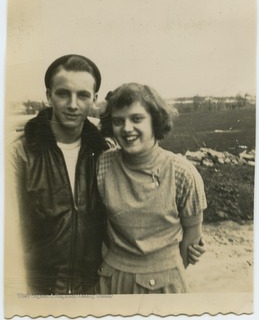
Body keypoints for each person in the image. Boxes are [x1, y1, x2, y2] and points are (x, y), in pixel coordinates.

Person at [9, 54, 109, 294]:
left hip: (93, 292)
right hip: (38, 294)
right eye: (63, 93)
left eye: (83, 95)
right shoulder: (18, 156)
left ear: (94, 99)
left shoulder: (106, 154)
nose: (73, 104)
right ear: (48, 96)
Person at [96, 82, 207, 294]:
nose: (127, 128)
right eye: (118, 121)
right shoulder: (103, 164)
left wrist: (162, 275)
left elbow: (192, 242)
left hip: (165, 284)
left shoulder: (182, 172)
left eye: (137, 119)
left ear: (155, 121)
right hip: (111, 281)